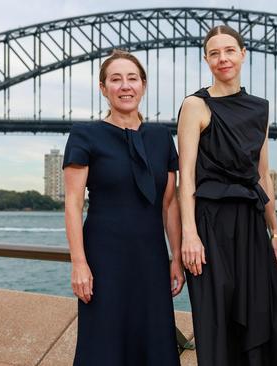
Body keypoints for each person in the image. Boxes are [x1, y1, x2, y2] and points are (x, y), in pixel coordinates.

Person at [177, 25, 277, 366]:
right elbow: (187, 178)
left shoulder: (260, 109)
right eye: (214, 53)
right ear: (206, 59)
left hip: (252, 226)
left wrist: (275, 232)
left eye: (229, 51)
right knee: (218, 319)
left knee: (266, 315)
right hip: (210, 225)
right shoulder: (195, 105)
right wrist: (189, 235)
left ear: (243, 54)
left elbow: (262, 175)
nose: (222, 58)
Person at [63, 49, 183, 366]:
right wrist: (79, 263)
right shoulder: (84, 135)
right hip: (104, 258)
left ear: (143, 85)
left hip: (152, 258)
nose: (125, 86)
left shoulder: (161, 137)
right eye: (115, 79)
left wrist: (177, 258)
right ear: (103, 88)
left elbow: (169, 204)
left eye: (132, 78)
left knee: (154, 341)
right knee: (104, 345)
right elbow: (73, 205)